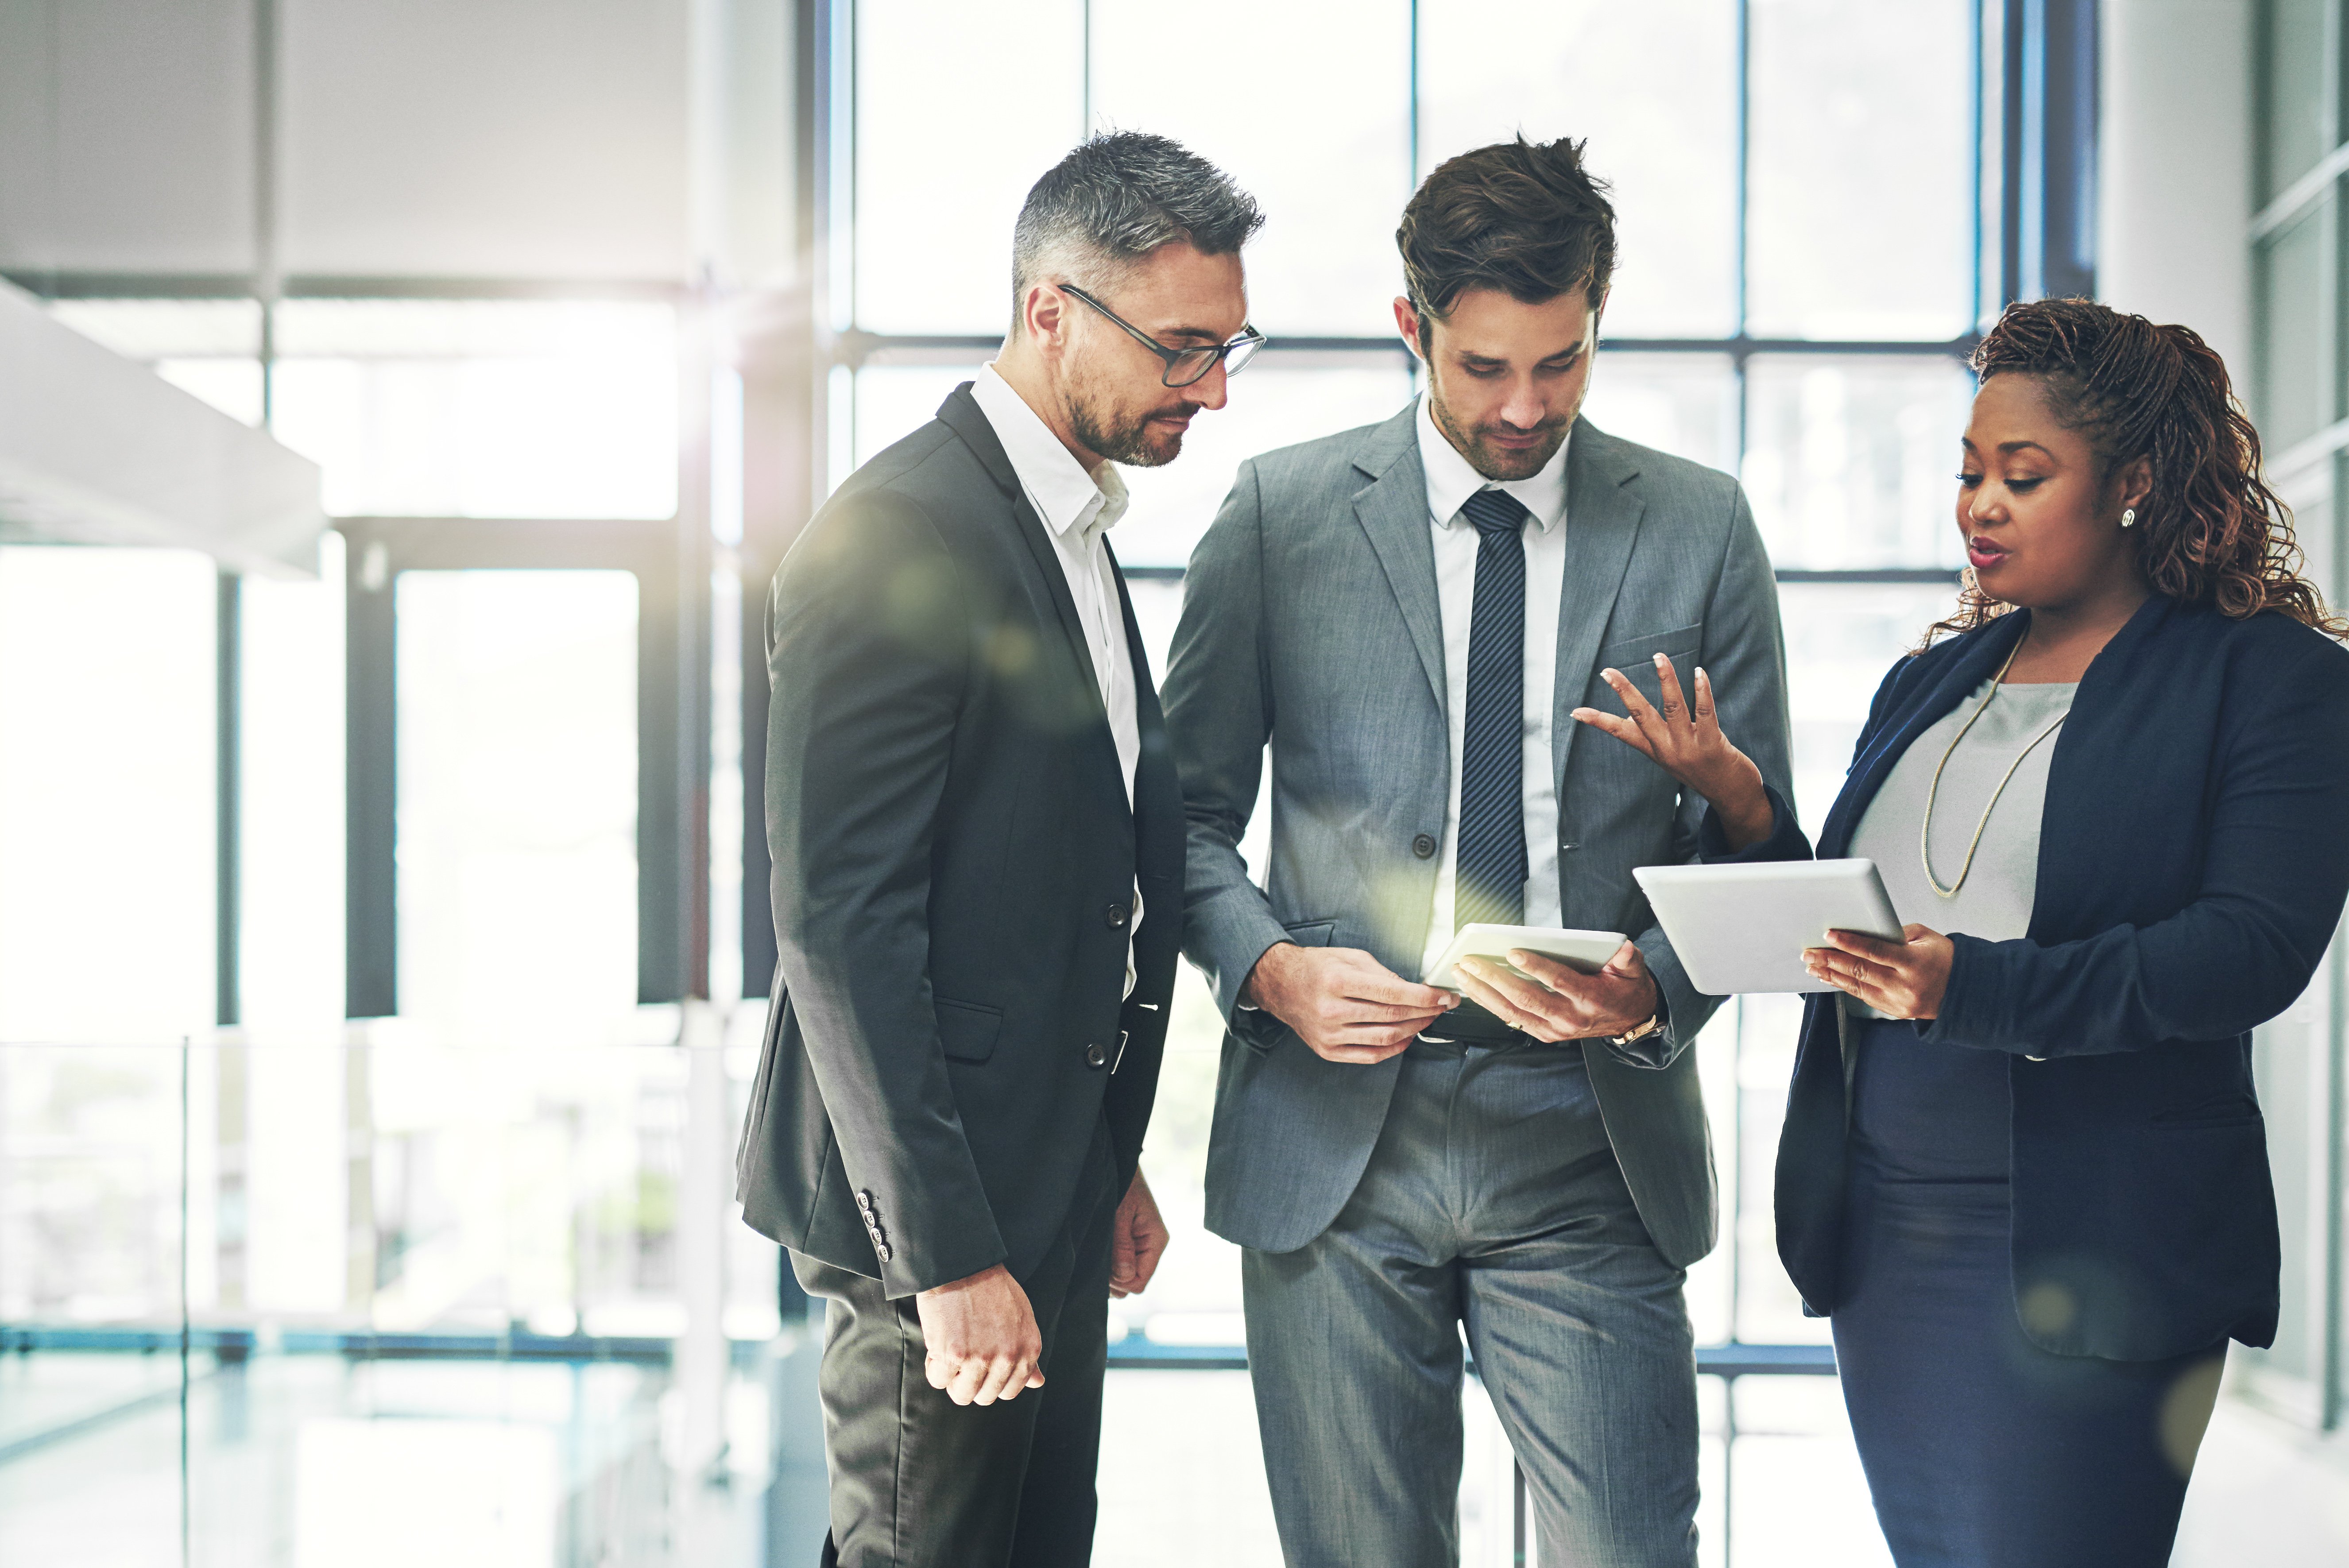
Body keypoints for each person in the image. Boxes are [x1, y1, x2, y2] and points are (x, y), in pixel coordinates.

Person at [1572, 297, 2349, 1566]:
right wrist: (1742, 803)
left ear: (2137, 483)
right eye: (1968, 472)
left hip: (2096, 1243)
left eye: (2021, 477)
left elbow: (2248, 953)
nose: (1977, 505)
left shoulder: (2270, 681)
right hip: (1888, 1233)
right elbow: (1839, 932)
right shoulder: (1931, 680)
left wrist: (1968, 990)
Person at [1162, 136, 1793, 1568]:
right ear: (1412, 329)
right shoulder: (1277, 517)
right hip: (1336, 1134)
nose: (1524, 409)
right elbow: (1182, 826)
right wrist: (1269, 973)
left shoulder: (1699, 529)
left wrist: (1656, 991)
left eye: (1560, 365)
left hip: (1587, 1139)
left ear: (1596, 320)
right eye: (1483, 369)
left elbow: (1757, 847)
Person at [733, 131, 1265, 1568]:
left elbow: (1070, 883)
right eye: (1182, 349)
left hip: (1042, 1186)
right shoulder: (893, 534)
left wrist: (1103, 1160)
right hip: (934, 1218)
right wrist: (948, 1256)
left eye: (1229, 347)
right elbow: (841, 925)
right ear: (1050, 311)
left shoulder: (1069, 522)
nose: (1211, 388)